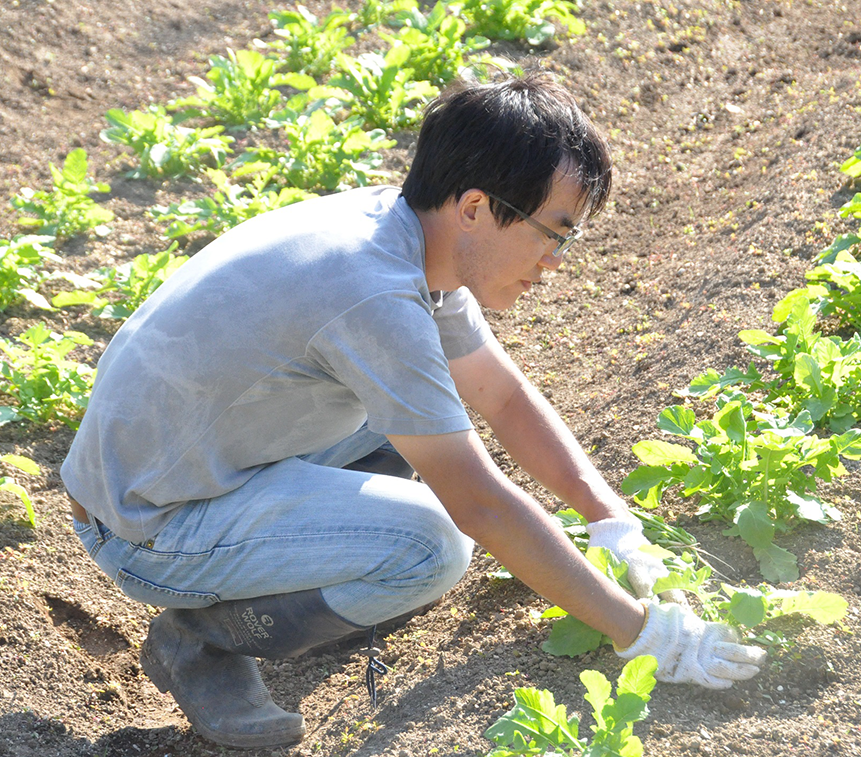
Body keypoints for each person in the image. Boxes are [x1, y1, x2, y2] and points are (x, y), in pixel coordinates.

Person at [61, 72, 765, 749]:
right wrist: (643, 632)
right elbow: (480, 506)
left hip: (180, 459)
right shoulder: (373, 293)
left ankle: (294, 563)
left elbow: (501, 393)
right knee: (432, 547)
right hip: (150, 524)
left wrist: (609, 516)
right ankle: (202, 637)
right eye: (554, 232)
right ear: (475, 208)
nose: (556, 261)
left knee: (424, 423)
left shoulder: (408, 231)